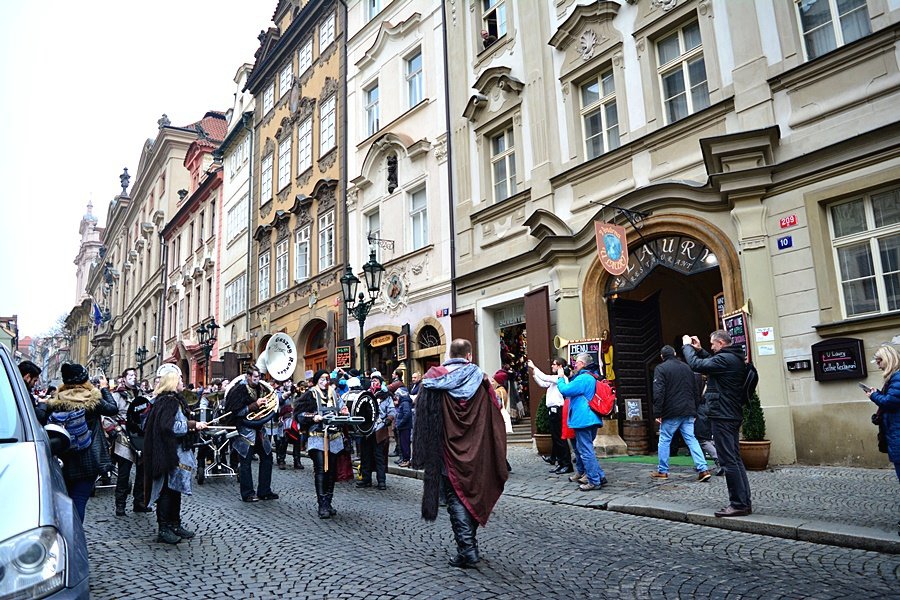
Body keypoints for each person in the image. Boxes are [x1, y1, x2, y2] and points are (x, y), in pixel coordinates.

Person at [413, 339, 508, 569]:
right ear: (469, 356)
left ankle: (467, 549)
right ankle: (468, 547)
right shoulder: (483, 380)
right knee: (470, 495)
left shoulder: (433, 379)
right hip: (477, 449)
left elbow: (422, 420)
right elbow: (496, 412)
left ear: (449, 355)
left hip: (445, 450)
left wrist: (422, 453)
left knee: (456, 497)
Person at [683, 330, 751, 517]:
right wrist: (701, 350)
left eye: (713, 345)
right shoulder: (733, 358)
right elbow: (711, 364)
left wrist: (687, 346)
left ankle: (738, 504)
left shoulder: (726, 360)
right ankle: (743, 502)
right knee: (734, 459)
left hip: (723, 414)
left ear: (720, 343)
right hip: (729, 413)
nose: (711, 348)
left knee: (729, 460)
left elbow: (696, 364)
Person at [143, 366, 208, 544]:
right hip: (168, 453)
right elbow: (171, 427)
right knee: (166, 491)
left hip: (174, 452)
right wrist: (193, 425)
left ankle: (175, 524)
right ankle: (164, 528)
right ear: (173, 382)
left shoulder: (171, 401)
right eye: (179, 379)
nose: (182, 382)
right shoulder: (168, 402)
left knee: (175, 489)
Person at [45, 363, 118, 522]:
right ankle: (74, 537)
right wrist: (104, 388)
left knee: (64, 499)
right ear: (85, 380)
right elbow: (113, 408)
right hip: (87, 459)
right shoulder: (91, 398)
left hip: (62, 458)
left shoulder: (56, 400)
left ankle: (63, 534)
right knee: (79, 499)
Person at [651, 345, 712, 481]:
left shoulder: (661, 368)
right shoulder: (686, 367)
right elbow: (695, 390)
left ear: (662, 357)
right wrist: (695, 410)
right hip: (688, 410)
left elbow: (658, 391)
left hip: (671, 411)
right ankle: (703, 469)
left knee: (665, 439)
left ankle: (663, 470)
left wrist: (657, 412)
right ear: (674, 353)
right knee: (691, 439)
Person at [296, 369, 349, 518]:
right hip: (318, 438)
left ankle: (328, 502)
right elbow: (299, 414)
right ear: (317, 380)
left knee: (331, 472)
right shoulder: (310, 394)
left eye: (327, 379)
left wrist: (345, 412)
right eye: (322, 379)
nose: (325, 382)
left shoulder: (335, 394)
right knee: (321, 470)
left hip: (334, 438)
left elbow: (342, 409)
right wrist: (314, 417)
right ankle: (322, 505)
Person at [224, 367, 278, 503]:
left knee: (267, 458)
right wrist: (255, 405)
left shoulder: (261, 388)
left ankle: (264, 490)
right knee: (245, 463)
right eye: (254, 377)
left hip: (259, 429)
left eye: (259, 377)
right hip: (245, 430)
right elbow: (235, 412)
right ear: (247, 376)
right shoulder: (239, 391)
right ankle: (247, 493)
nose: (257, 379)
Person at [556, 353, 607, 491]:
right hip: (592, 418)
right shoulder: (592, 376)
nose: (575, 364)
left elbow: (565, 390)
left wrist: (561, 378)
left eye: (577, 362)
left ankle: (594, 481)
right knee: (588, 449)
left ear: (583, 364)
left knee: (585, 451)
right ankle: (600, 476)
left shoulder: (584, 378)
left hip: (583, 418)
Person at [113, 367, 151, 516]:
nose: (133, 377)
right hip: (123, 435)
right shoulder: (116, 396)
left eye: (135, 374)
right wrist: (116, 429)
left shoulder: (141, 394)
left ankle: (139, 502)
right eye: (130, 375)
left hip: (140, 435)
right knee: (124, 472)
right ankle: (120, 505)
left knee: (142, 471)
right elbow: (109, 415)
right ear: (124, 378)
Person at [529, 357, 573, 474]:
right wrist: (534, 374)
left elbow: (545, 377)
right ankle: (561, 462)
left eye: (554, 364)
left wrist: (534, 367)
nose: (552, 366)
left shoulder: (561, 378)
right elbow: (543, 383)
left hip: (557, 410)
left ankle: (566, 464)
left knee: (560, 438)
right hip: (553, 410)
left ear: (560, 366)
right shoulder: (555, 379)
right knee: (556, 438)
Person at [866, 345, 900, 482]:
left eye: (879, 361)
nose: (879, 366)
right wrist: (878, 393)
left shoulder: (897, 377)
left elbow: (890, 402)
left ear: (887, 359)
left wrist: (874, 396)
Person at [358, 384, 396, 490]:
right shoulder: (367, 394)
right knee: (365, 456)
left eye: (376, 380)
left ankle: (381, 481)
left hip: (379, 430)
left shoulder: (386, 397)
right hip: (367, 430)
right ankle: (366, 479)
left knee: (379, 457)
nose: (374, 382)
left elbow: (392, 411)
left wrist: (389, 419)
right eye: (372, 380)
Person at [18, 360, 48, 424]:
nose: (34, 385)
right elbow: (39, 416)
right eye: (34, 381)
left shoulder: (16, 389)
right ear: (28, 377)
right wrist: (43, 403)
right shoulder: (24, 394)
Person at [395, 386, 414, 467]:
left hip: (405, 427)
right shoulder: (403, 402)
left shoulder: (404, 403)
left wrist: (400, 423)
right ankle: (404, 459)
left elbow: (407, 414)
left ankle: (406, 460)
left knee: (405, 444)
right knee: (403, 444)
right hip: (403, 426)